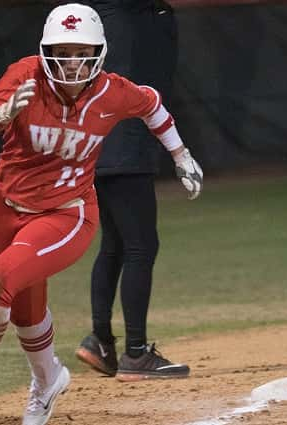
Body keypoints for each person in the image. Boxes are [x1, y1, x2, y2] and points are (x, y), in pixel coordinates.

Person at [0, 3, 203, 424]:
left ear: (99, 53)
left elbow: (154, 107)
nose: (72, 63)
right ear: (45, 51)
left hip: (64, 213)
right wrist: (1, 116)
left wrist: (181, 155)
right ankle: (48, 379)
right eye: (63, 51)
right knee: (23, 309)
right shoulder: (25, 74)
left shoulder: (113, 91)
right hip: (4, 205)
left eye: (82, 53)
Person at [72, 0, 193, 382]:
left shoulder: (110, 17)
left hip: (99, 140)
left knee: (116, 245)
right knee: (141, 245)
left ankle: (101, 341)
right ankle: (136, 353)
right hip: (125, 140)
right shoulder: (126, 17)